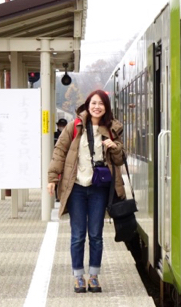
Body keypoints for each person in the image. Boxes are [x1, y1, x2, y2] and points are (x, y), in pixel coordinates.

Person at [47, 91, 125, 294]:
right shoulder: (75, 127)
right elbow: (59, 152)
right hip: (77, 189)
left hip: (99, 189)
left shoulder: (111, 130)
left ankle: (94, 276)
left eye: (101, 104)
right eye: (93, 103)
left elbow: (120, 159)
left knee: (96, 235)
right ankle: (78, 277)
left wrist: (113, 147)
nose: (96, 107)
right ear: (87, 105)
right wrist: (52, 179)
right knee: (78, 235)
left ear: (106, 107)